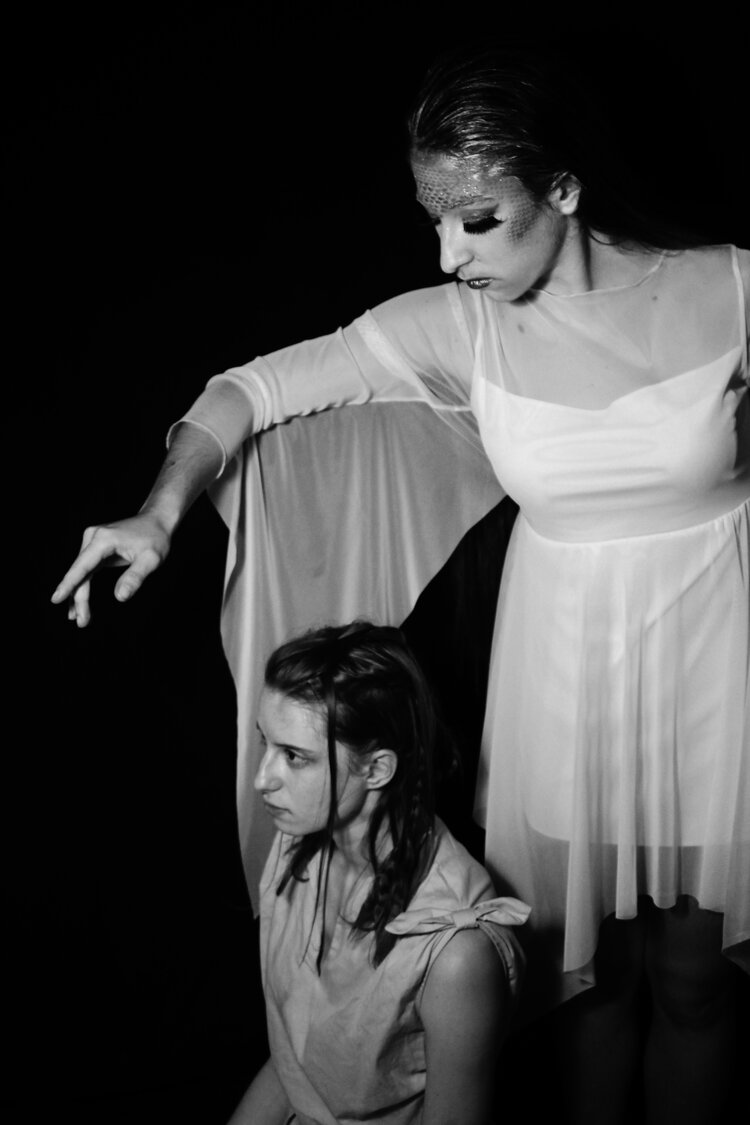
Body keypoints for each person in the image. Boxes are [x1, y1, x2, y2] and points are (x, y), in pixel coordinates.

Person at [52, 45, 748, 1123]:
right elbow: (252, 389)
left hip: (716, 668)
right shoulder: (459, 322)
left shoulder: (733, 285)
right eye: (434, 220)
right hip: (565, 686)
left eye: (478, 220)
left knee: (697, 982)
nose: (449, 252)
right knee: (594, 986)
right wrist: (160, 509)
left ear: (565, 189)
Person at [227, 620, 527, 1124]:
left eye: (294, 757)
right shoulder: (296, 843)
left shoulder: (457, 955)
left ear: (377, 769)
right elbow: (291, 1065)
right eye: (266, 744)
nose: (262, 779)